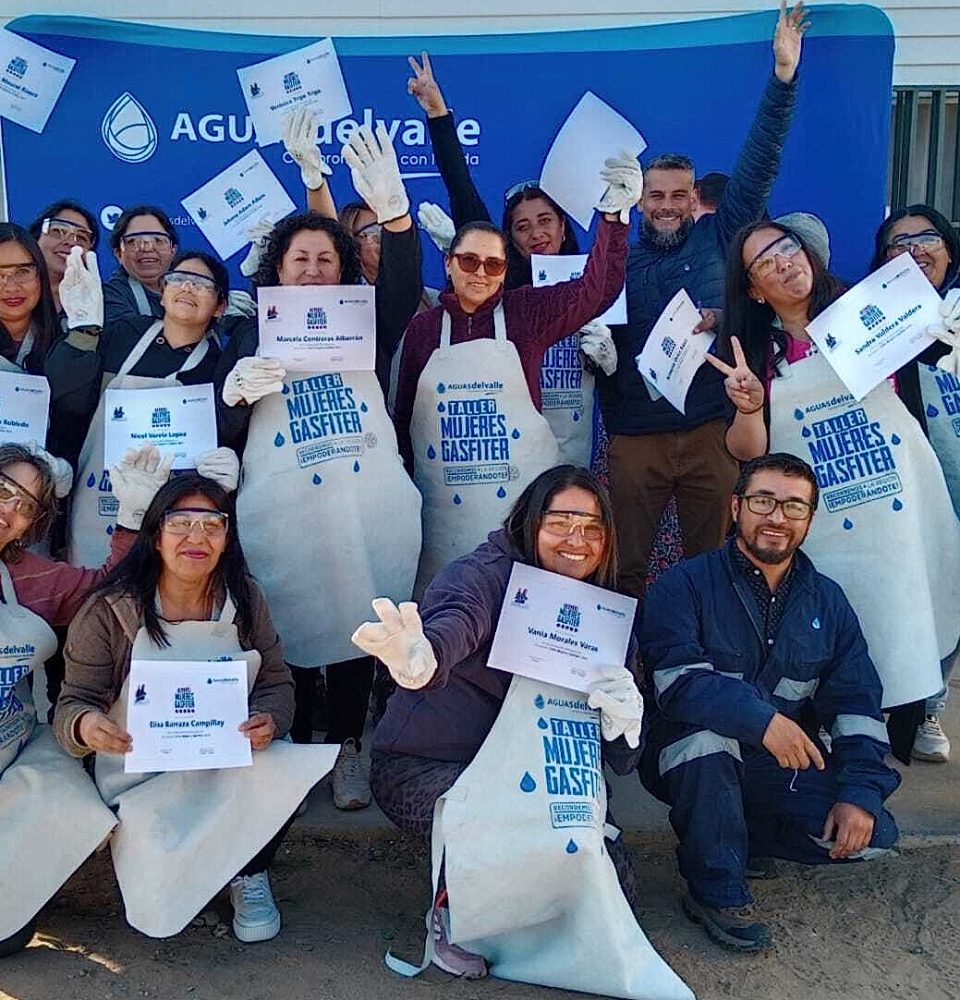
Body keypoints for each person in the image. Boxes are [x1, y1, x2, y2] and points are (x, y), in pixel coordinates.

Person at [355, 467, 691, 1000]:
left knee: (616, 886)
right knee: (492, 820)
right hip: (432, 766)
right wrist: (424, 660)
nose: (576, 541)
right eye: (561, 521)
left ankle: (514, 908)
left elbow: (623, 762)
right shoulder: (484, 575)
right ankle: (454, 912)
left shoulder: (604, 611)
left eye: (593, 527)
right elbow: (458, 619)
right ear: (530, 522)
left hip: (544, 774)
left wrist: (625, 720)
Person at [214, 124, 424, 811]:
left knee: (361, 620)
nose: (312, 270)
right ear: (277, 269)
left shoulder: (367, 318)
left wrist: (397, 221)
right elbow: (223, 429)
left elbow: (400, 284)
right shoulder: (247, 330)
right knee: (293, 619)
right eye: (299, 259)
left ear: (343, 270)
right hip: (286, 508)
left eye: (325, 260)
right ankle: (299, 742)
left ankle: (349, 747)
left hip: (364, 503)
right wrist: (235, 393)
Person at [708, 218, 960, 745]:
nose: (782, 261)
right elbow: (747, 452)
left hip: (896, 495)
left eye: (786, 247)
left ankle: (917, 711)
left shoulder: (865, 308)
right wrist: (750, 406)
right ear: (754, 288)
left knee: (921, 595)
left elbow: (934, 349)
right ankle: (837, 722)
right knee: (833, 616)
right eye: (764, 261)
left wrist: (944, 329)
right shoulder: (753, 352)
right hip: (824, 516)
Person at [54, 474, 334, 943]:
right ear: (155, 535)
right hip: (140, 776)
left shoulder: (244, 600)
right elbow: (72, 701)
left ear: (227, 537)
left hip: (223, 761)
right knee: (163, 887)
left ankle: (250, 872)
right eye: (180, 522)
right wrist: (87, 727)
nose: (196, 537)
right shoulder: (111, 610)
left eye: (212, 524)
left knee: (286, 766)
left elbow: (276, 682)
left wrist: (271, 719)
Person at [639, 453, 900, 952]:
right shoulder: (684, 584)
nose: (777, 517)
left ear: (809, 519)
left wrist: (860, 792)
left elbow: (857, 706)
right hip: (688, 755)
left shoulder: (828, 601)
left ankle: (737, 835)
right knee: (706, 742)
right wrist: (763, 722)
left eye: (794, 507)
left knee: (875, 835)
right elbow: (678, 683)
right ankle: (715, 890)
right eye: (763, 501)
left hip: (773, 766)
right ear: (737, 506)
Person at [598, 0, 808, 599]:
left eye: (679, 195)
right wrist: (600, 354)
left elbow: (760, 160)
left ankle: (708, 678)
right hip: (636, 436)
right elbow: (586, 316)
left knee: (717, 566)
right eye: (655, 195)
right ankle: (630, 677)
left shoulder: (723, 235)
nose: (666, 204)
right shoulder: (617, 254)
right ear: (639, 200)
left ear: (695, 200)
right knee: (625, 569)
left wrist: (783, 77)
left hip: (713, 434)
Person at [393, 152, 638, 591]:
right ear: (449, 263)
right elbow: (404, 416)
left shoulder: (526, 312)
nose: (480, 273)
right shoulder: (424, 329)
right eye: (469, 261)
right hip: (445, 513)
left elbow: (595, 290)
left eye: (494, 264)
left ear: (507, 271)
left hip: (520, 504)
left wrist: (615, 219)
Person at [409, 52, 619, 469]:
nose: (536, 233)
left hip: (577, 445)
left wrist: (610, 363)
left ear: (563, 226)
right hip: (511, 445)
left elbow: (627, 385)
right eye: (522, 227)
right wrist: (438, 115)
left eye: (545, 221)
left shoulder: (595, 275)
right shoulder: (507, 285)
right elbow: (463, 191)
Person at [0, 442, 169, 957]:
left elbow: (106, 588)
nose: (9, 510)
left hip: (10, 750)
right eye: (3, 490)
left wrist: (134, 516)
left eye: (26, 506)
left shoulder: (28, 576)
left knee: (73, 798)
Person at [45, 247, 234, 562]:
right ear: (162, 293)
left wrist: (228, 472)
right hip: (99, 498)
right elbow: (68, 397)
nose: (188, 287)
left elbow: (228, 434)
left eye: (202, 283)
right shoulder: (123, 335)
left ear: (220, 306)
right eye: (179, 279)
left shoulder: (219, 367)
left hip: (174, 513)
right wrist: (83, 332)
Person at [869, 204, 960, 762]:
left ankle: (931, 700)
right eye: (898, 244)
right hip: (905, 482)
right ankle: (903, 704)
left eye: (926, 238)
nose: (914, 249)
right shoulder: (873, 319)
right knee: (910, 587)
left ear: (948, 249)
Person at [103, 205, 178, 324]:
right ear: (118, 253)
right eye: (133, 241)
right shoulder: (108, 296)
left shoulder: (188, 289)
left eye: (157, 240)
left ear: (173, 250)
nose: (147, 248)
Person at [27, 200, 100, 318]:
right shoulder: (10, 294)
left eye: (81, 237)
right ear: (35, 238)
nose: (71, 242)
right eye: (58, 231)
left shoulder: (101, 303)